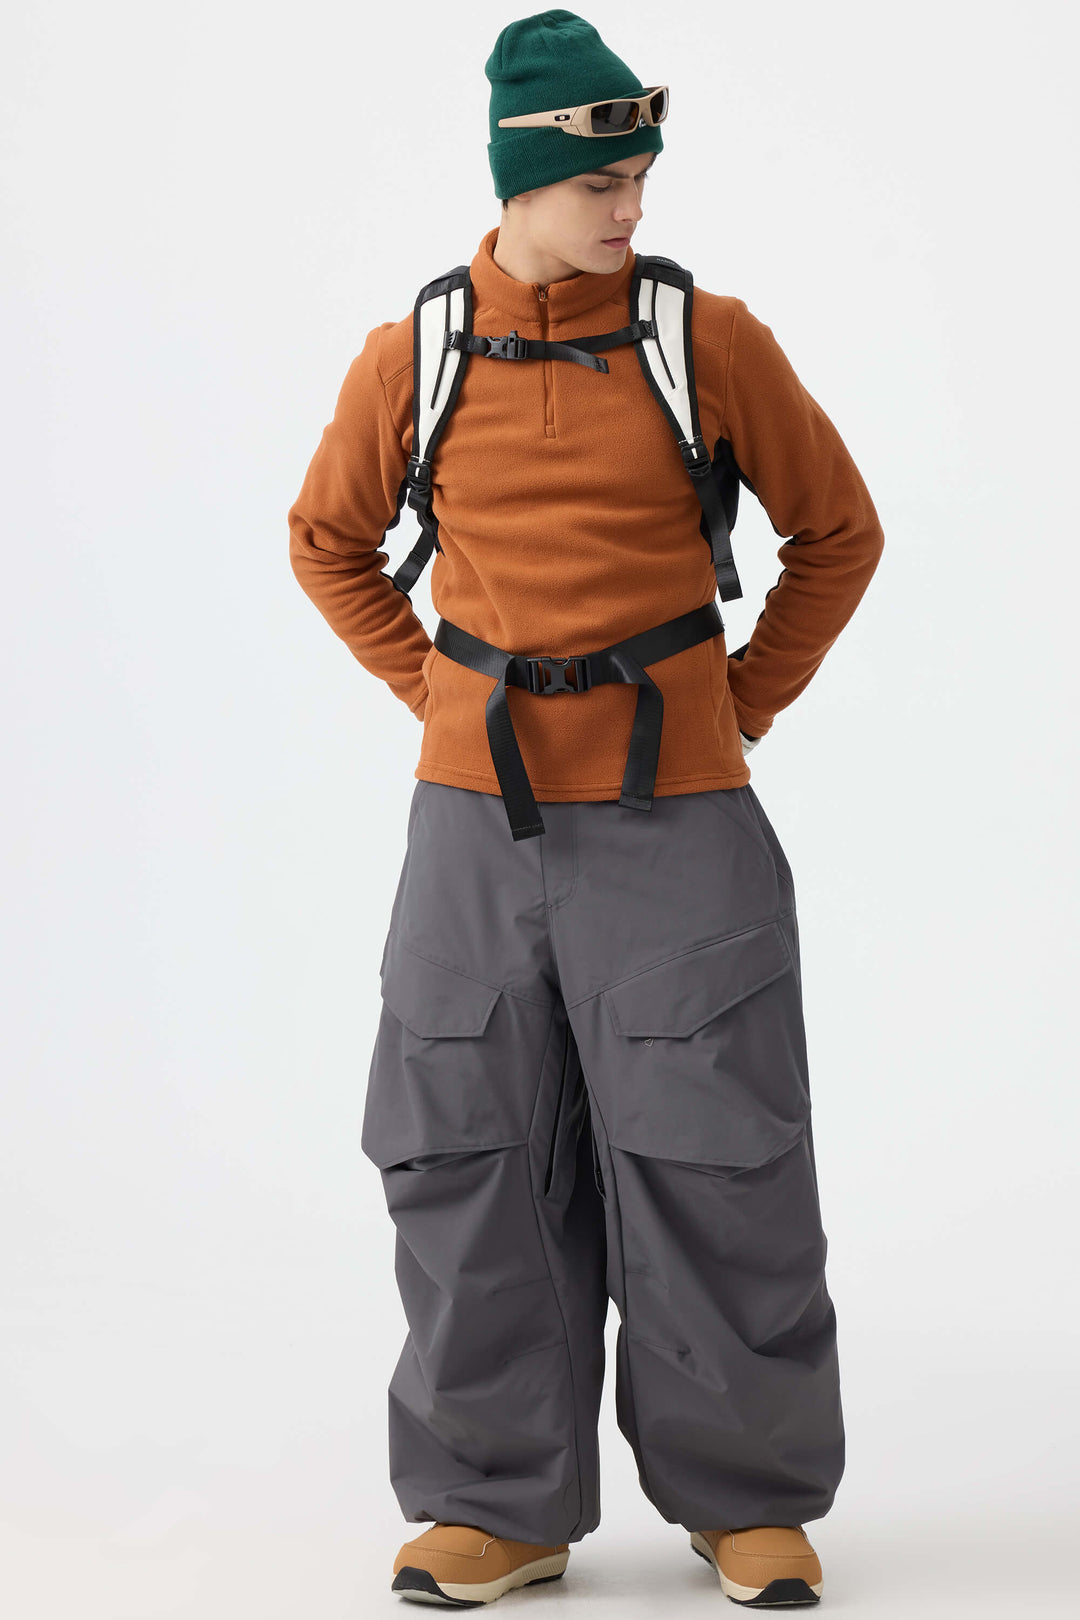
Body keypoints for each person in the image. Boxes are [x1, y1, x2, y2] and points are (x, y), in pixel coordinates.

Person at [287, 9, 884, 1608]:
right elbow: (325, 541)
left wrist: (741, 702)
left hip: (681, 820)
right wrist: (436, 695)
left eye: (640, 178)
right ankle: (496, 1505)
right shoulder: (414, 356)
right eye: (600, 183)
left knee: (718, 1157)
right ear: (518, 184)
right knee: (466, 1153)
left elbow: (839, 531)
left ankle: (747, 1500)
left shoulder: (709, 342)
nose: (631, 206)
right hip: (473, 829)